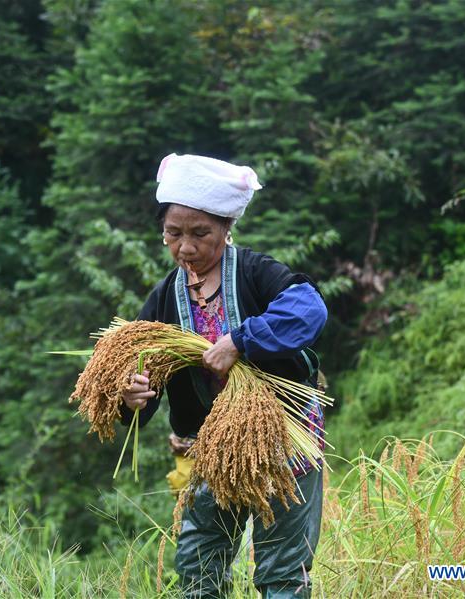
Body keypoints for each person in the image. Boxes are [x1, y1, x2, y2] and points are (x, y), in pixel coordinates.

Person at [121, 153, 328, 599]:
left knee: (282, 571)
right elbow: (141, 374)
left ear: (226, 229)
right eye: (174, 234)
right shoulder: (164, 300)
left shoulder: (256, 273)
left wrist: (240, 340)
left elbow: (309, 309)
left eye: (201, 234)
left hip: (285, 438)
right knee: (198, 567)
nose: (186, 248)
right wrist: (134, 394)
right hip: (211, 448)